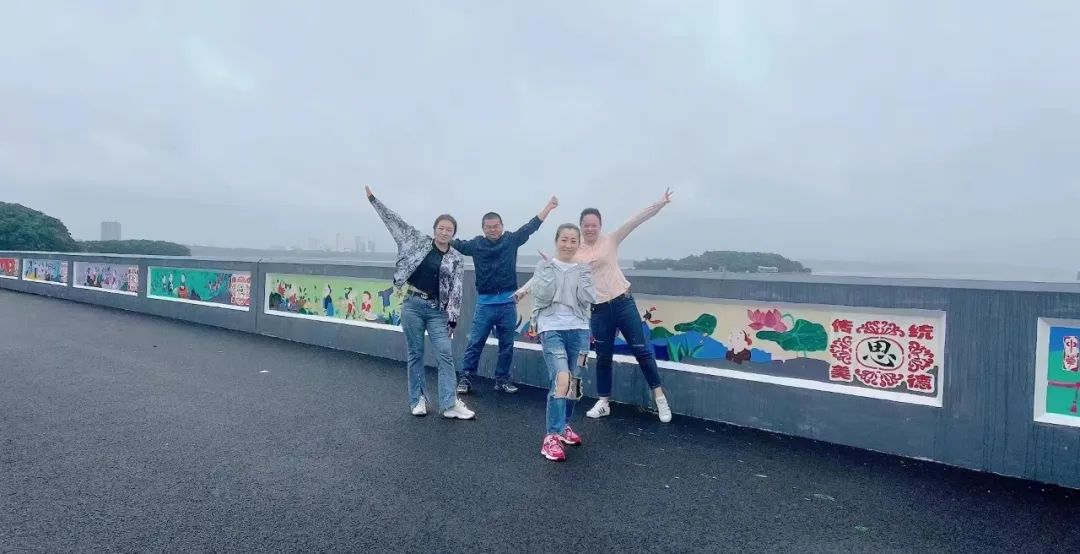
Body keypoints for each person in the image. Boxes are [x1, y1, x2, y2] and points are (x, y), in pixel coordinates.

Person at [518, 189, 675, 423]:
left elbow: (636, 220)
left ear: (600, 225)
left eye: (594, 225)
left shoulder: (611, 239)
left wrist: (660, 203)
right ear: (581, 227)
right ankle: (604, 402)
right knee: (603, 356)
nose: (590, 229)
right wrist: (523, 290)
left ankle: (660, 398)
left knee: (641, 350)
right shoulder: (575, 250)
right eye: (586, 225)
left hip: (623, 302)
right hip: (599, 309)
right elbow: (550, 269)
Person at [364, 185, 475, 420]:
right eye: (441, 228)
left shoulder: (456, 258)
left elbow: (456, 290)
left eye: (449, 229)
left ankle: (449, 404)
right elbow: (395, 222)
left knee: (445, 354)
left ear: (454, 233)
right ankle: (418, 400)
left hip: (437, 311)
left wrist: (452, 319)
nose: (444, 232)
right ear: (434, 230)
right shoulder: (417, 242)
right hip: (412, 305)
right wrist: (374, 200)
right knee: (415, 353)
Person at [452, 196, 559, 394]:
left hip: (508, 304)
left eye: (496, 226)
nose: (493, 229)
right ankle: (465, 378)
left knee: (507, 345)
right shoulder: (476, 244)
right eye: (488, 227)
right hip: (484, 305)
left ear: (502, 226)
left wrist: (549, 207)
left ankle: (501, 379)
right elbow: (455, 244)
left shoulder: (511, 240)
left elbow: (531, 227)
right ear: (483, 229)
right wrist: (438, 237)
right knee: (475, 342)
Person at [516, 223, 596, 461]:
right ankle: (551, 436)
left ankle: (564, 425)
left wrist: (582, 273)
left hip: (579, 329)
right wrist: (551, 270)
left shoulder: (583, 269)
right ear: (556, 241)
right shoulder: (544, 266)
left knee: (574, 383)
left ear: (579, 244)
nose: (568, 245)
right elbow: (543, 296)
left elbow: (588, 298)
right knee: (561, 378)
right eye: (564, 240)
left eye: (573, 241)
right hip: (551, 328)